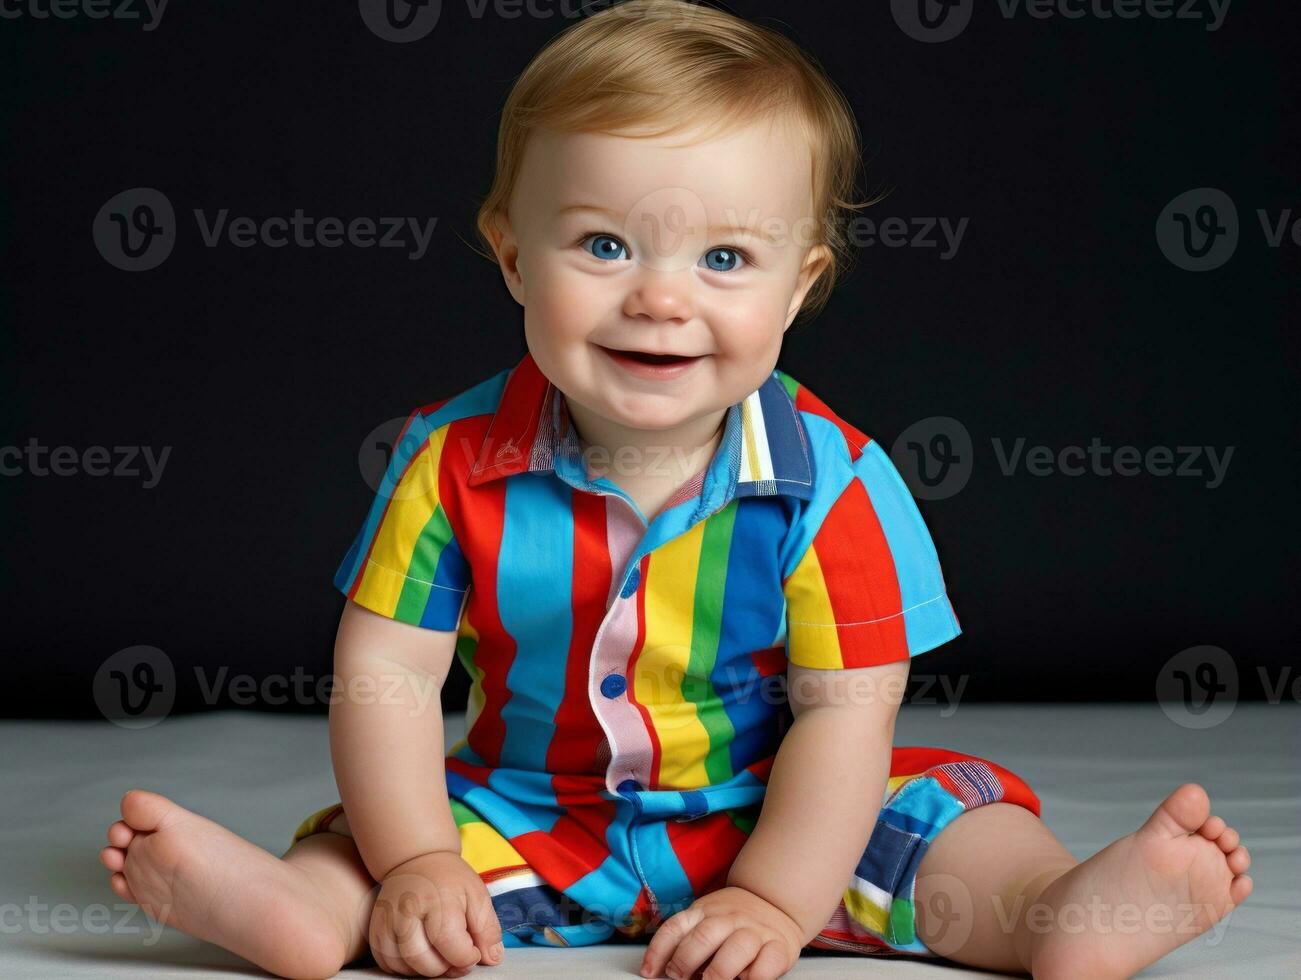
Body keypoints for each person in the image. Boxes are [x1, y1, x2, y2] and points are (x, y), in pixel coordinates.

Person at [99, 2, 1252, 977]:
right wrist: (418, 859)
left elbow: (846, 715)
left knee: (944, 835)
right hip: (528, 814)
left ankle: (1065, 912)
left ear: (798, 288)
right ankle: (302, 913)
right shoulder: (448, 461)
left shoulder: (833, 483)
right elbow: (385, 671)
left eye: (723, 258)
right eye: (602, 246)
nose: (660, 298)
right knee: (378, 851)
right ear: (511, 255)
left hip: (785, 811)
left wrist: (772, 901)